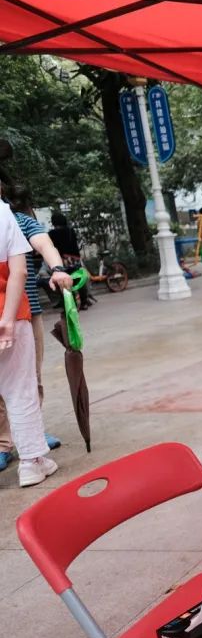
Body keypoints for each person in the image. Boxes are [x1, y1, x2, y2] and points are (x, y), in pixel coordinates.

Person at [0, 185, 73, 465]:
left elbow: (45, 245)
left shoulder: (17, 220)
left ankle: (32, 433)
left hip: (27, 312)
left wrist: (57, 269)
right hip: (13, 313)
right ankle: (4, 442)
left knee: (30, 378)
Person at [0, 202, 57, 487]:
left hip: (18, 314)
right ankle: (31, 462)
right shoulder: (5, 215)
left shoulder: (17, 218)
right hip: (12, 313)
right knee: (21, 390)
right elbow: (19, 271)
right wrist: (8, 319)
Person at [47, 213, 90, 310]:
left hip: (62, 261)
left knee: (64, 282)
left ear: (54, 222)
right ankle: (84, 302)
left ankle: (71, 304)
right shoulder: (71, 231)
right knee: (78, 280)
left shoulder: (52, 234)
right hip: (74, 259)